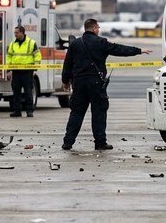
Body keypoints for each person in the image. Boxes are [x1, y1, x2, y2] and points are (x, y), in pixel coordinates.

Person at [61, 18, 152, 151]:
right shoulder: (101, 42)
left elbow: (67, 64)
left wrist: (65, 81)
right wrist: (138, 50)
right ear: (93, 28)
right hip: (96, 83)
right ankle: (100, 142)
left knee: (76, 112)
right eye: (97, 28)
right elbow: (119, 49)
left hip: (79, 83)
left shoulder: (75, 44)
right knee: (98, 112)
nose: (98, 30)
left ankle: (68, 142)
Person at [6, 26, 41, 117]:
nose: (15, 34)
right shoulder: (13, 44)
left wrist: (36, 66)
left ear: (22, 33)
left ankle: (29, 111)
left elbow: (37, 55)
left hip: (27, 71)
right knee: (16, 92)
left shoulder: (31, 43)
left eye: (17, 33)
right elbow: (9, 57)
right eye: (15, 33)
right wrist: (8, 69)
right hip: (16, 71)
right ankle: (17, 111)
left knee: (28, 92)